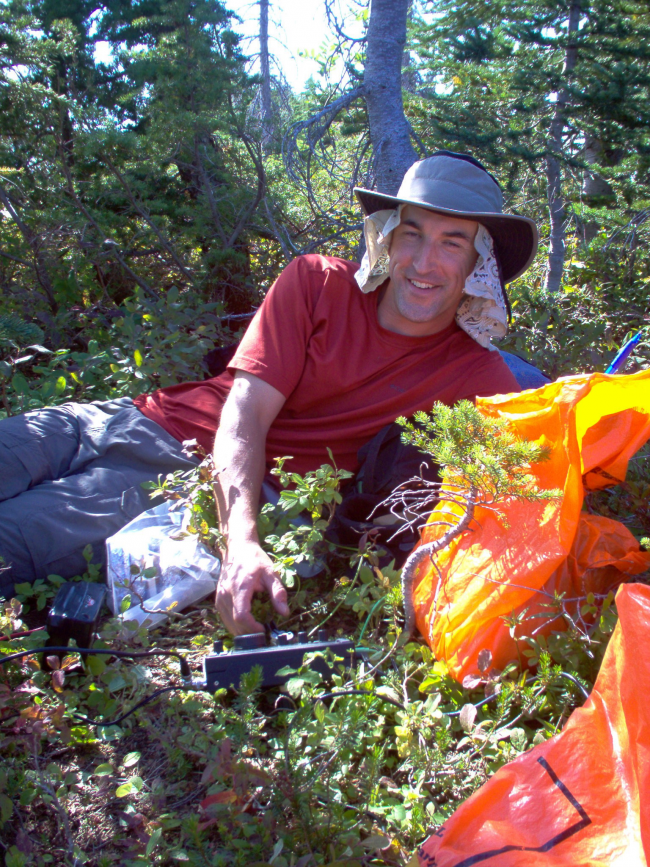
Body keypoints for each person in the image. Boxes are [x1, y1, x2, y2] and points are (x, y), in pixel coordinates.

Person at [0, 152, 539, 633]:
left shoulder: (480, 378)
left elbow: (516, 499)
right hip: (127, 419)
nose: (424, 263)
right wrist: (241, 542)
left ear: (478, 265)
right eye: (413, 234)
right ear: (388, 238)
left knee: (12, 540)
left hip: (178, 484)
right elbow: (246, 409)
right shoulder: (317, 282)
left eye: (453, 242)